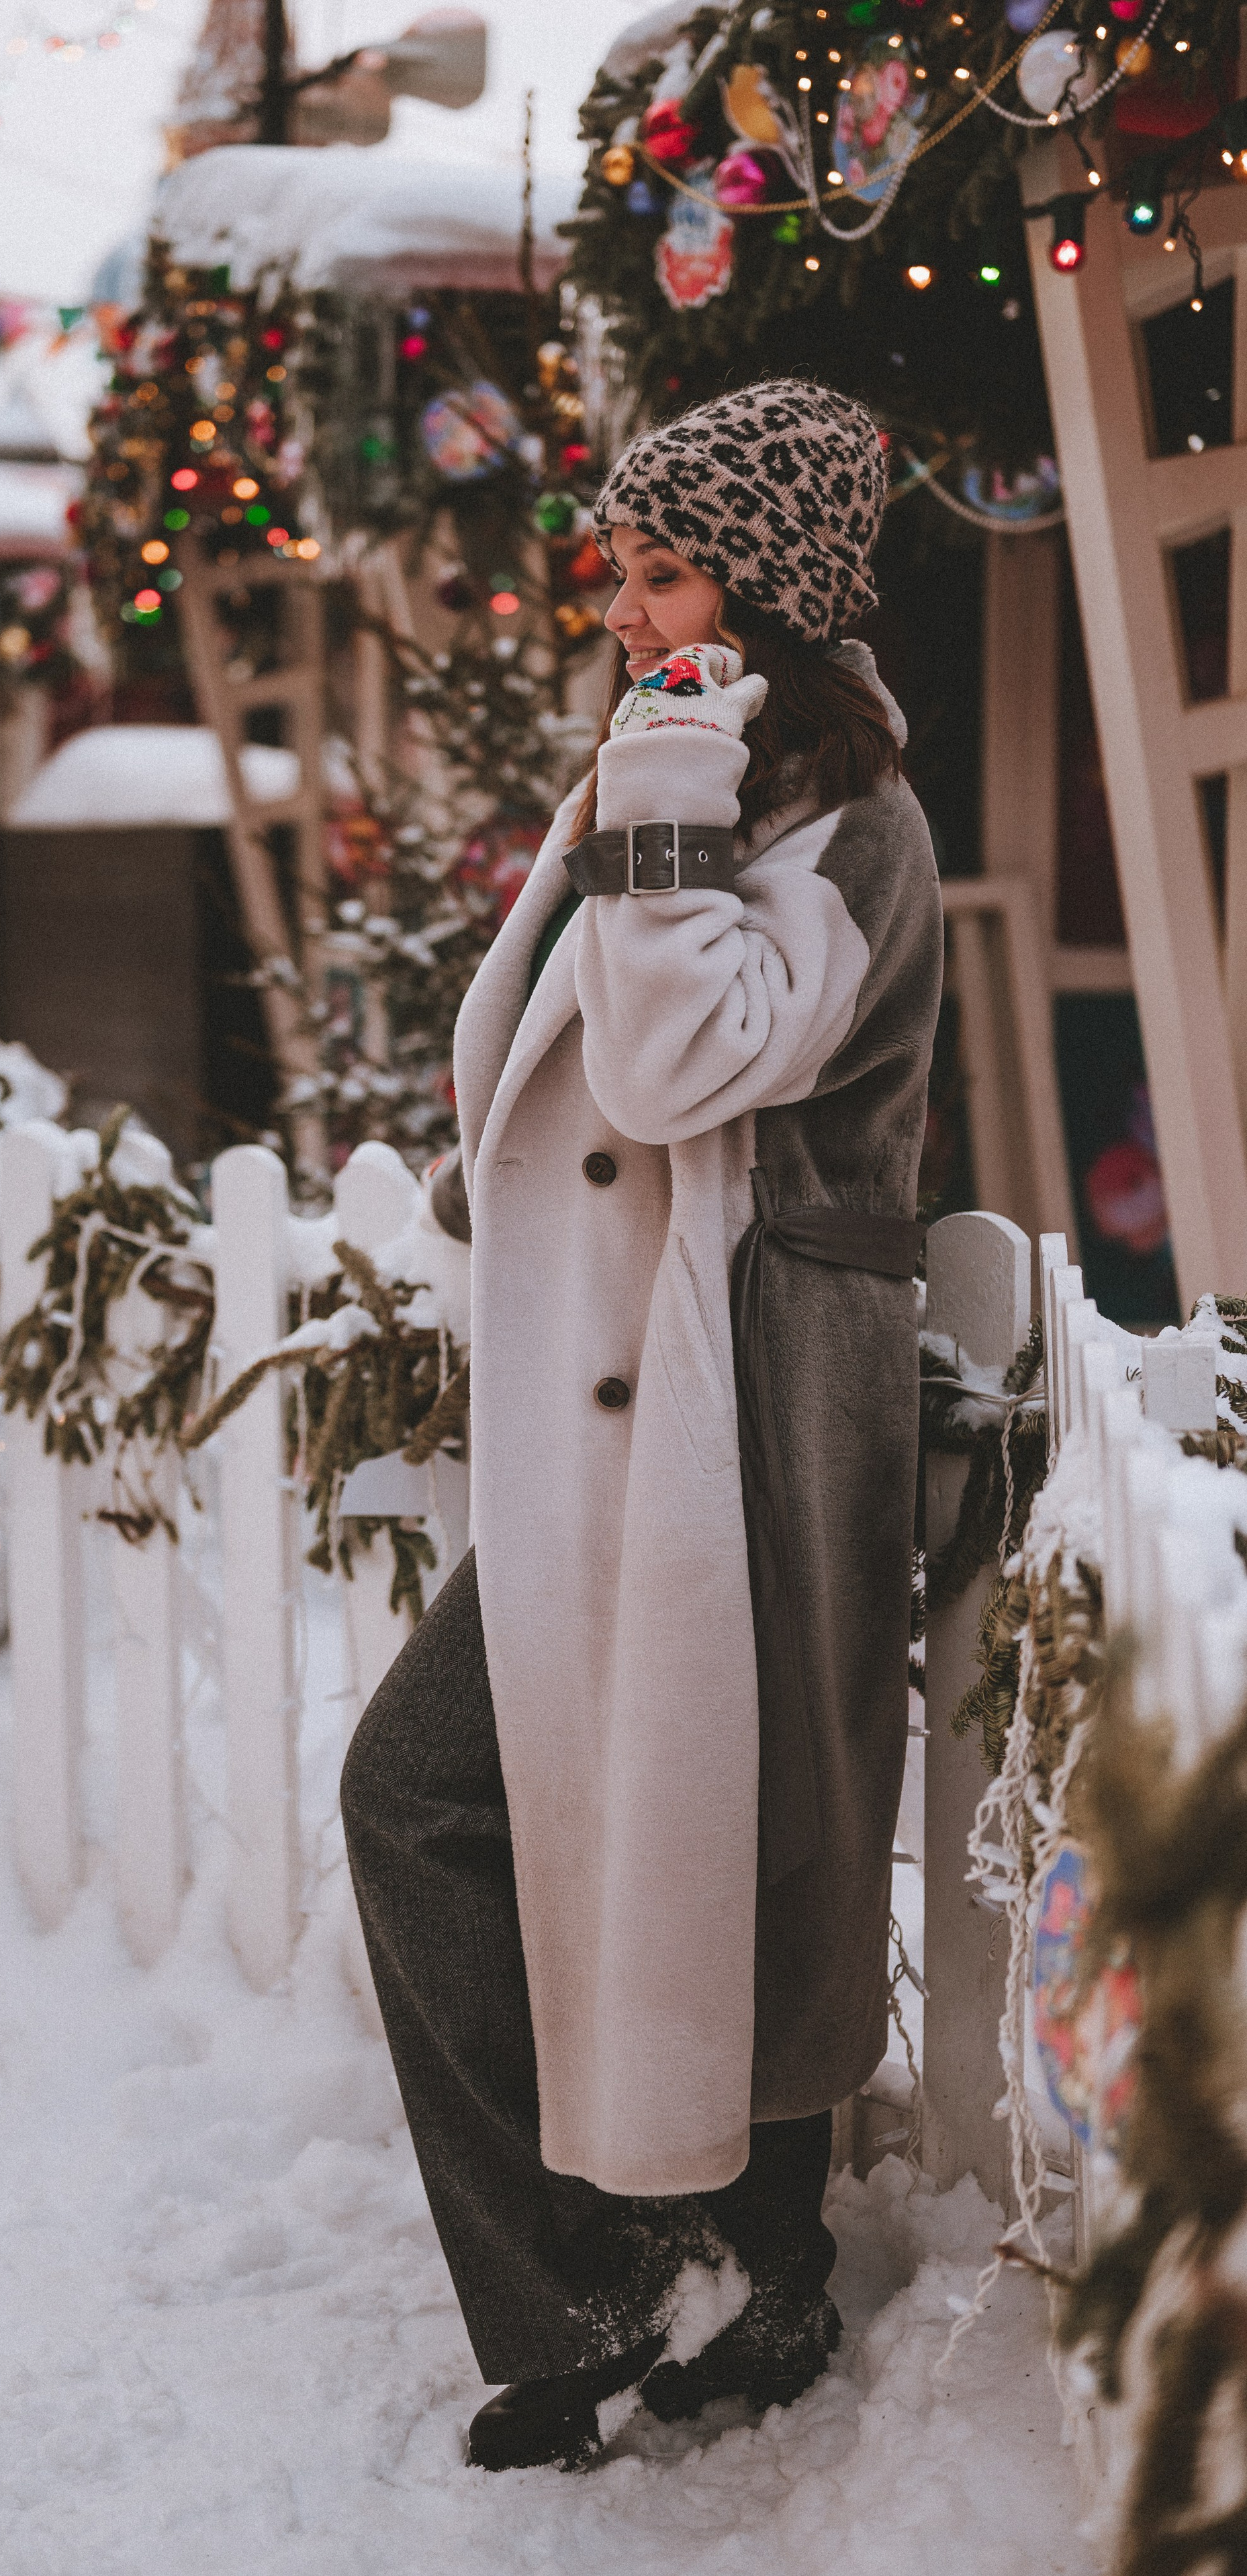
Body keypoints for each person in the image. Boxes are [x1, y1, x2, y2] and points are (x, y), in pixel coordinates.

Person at [340, 379, 943, 2473]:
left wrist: (658, 791)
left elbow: (690, 1068)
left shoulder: (852, 824)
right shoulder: (671, 762)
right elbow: (529, 1047)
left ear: (769, 590)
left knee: (736, 1831)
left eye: (665, 564)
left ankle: (747, 2258)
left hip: (748, 1394)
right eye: (619, 560)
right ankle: (604, 2263)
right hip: (619, 1389)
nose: (621, 604)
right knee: (434, 1790)